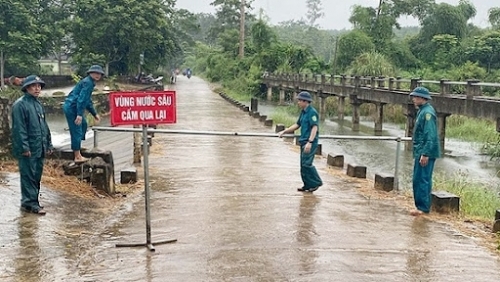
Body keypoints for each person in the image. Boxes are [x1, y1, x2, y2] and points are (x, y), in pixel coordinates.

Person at [11, 75, 53, 215]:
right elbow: (19, 128)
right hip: (28, 148)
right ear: (27, 87)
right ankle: (31, 203)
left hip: (39, 146)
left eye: (39, 86)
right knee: (28, 176)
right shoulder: (20, 105)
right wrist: (24, 147)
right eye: (34, 86)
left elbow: (44, 127)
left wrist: (48, 144)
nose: (37, 88)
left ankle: (31, 201)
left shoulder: (38, 104)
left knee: (36, 176)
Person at [278, 91, 323, 192]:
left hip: (309, 142)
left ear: (305, 101)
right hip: (303, 141)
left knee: (307, 164)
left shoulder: (312, 112)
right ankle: (307, 185)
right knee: (303, 165)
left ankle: (316, 182)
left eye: (300, 100)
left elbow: (314, 127)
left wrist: (310, 142)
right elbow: (297, 125)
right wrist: (285, 131)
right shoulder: (303, 112)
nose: (298, 102)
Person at [409, 87, 441, 216]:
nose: (414, 99)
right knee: (420, 178)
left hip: (425, 151)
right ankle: (422, 206)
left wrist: (425, 153)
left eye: (416, 97)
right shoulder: (422, 111)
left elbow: (430, 134)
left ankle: (422, 208)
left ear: (423, 98)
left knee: (422, 179)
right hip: (421, 150)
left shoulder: (427, 113)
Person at [63, 65, 104, 162]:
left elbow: (87, 100)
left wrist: (94, 114)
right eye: (95, 73)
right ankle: (77, 156)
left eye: (99, 74)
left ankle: (78, 147)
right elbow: (81, 99)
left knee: (84, 125)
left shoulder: (90, 82)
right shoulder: (88, 83)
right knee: (76, 129)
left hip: (74, 106)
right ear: (90, 73)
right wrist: (79, 114)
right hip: (72, 107)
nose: (98, 75)